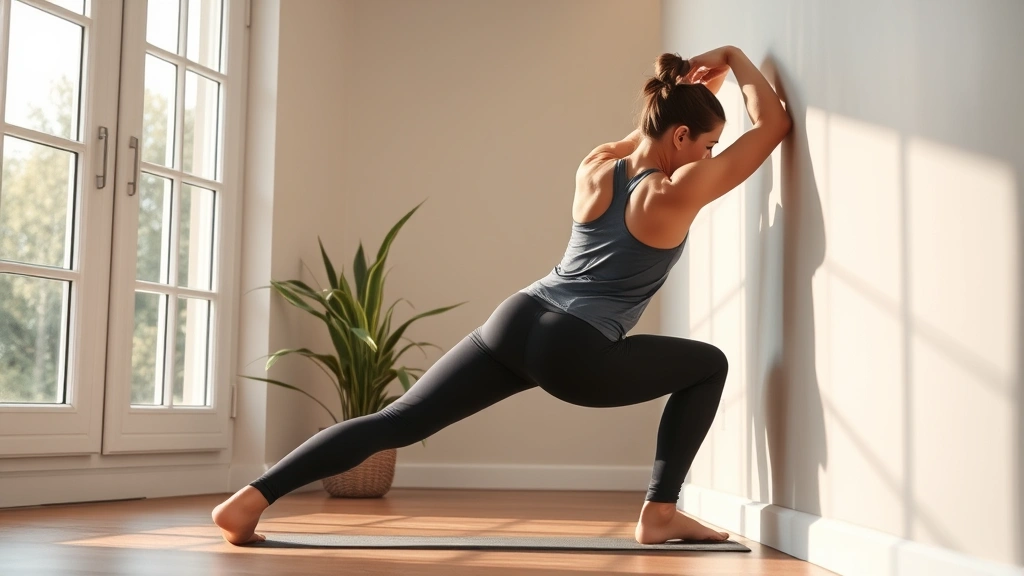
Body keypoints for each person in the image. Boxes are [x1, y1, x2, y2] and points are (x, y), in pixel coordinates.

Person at [213, 45, 791, 546]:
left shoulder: (597, 165)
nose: (711, 158)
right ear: (683, 136)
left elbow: (640, 137)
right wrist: (734, 58)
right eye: (709, 145)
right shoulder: (673, 193)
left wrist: (685, 93)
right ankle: (660, 512)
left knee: (399, 420)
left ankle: (249, 500)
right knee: (708, 365)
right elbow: (772, 127)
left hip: (517, 317)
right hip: (578, 348)